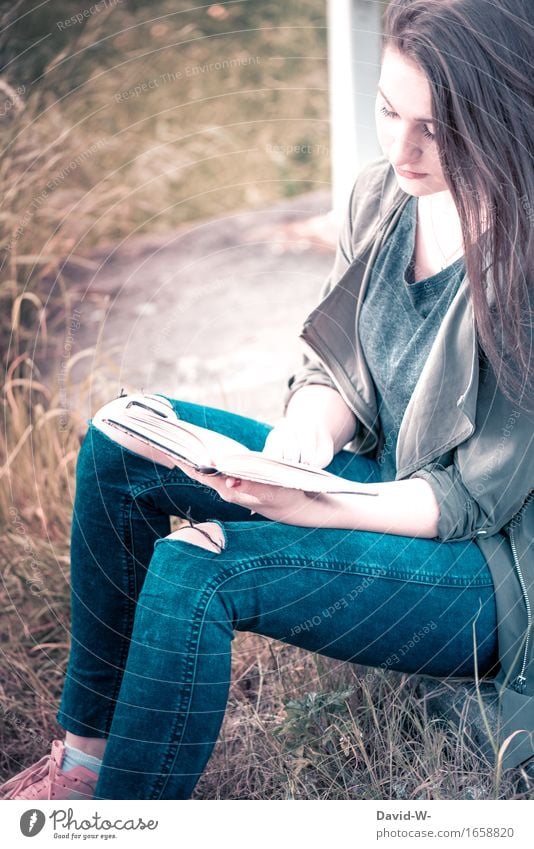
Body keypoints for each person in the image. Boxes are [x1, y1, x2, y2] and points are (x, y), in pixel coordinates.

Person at [2, 0, 533, 800]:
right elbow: (337, 366)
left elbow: (464, 501)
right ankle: (83, 763)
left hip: (482, 570)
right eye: (390, 111)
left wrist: (311, 505)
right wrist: (302, 440)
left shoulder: (523, 263)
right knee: (121, 442)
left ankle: (125, 820)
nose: (402, 146)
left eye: (438, 127)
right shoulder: (383, 197)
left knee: (198, 569)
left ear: (497, 115)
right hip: (371, 480)